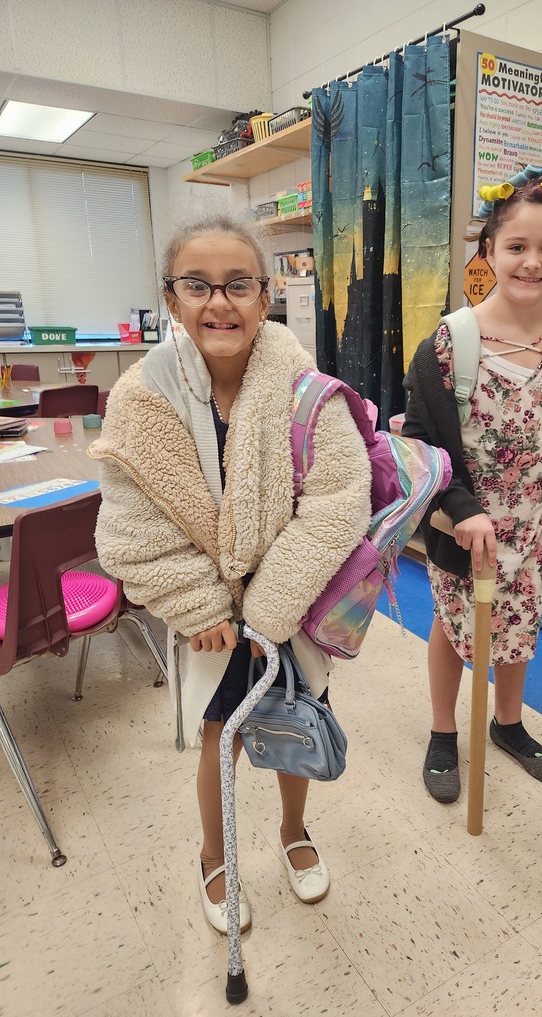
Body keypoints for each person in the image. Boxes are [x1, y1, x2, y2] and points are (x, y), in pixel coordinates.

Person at [90, 213, 371, 931]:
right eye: (198, 285)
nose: (220, 302)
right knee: (220, 736)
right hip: (212, 621)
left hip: (291, 608)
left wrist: (269, 613)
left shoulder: (305, 386)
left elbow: (339, 502)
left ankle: (293, 832)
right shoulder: (142, 396)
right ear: (171, 297)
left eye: (238, 285)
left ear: (266, 292)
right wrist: (202, 607)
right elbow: (133, 520)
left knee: (294, 720)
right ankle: (214, 857)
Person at [402, 169, 542, 803]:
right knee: (451, 622)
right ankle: (441, 733)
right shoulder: (446, 344)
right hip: (461, 524)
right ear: (488, 250)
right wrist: (462, 509)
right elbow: (424, 446)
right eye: (516, 246)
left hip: (532, 526)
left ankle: (508, 724)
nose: (532, 262)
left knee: (519, 625)